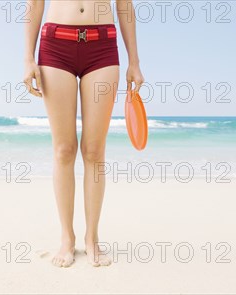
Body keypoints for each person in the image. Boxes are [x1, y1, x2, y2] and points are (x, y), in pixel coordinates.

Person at [23, 0, 144, 267]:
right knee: (64, 149)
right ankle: (67, 238)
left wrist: (134, 61)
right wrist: (28, 57)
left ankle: (92, 238)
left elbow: (124, 4)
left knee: (94, 151)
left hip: (102, 47)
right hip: (56, 45)